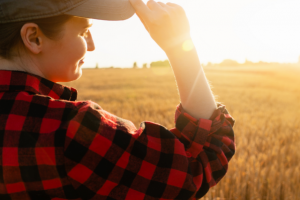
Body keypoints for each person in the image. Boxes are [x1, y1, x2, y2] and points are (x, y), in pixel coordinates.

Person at [0, 0, 235, 199]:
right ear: (34, 38)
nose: (92, 46)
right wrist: (179, 45)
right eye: (83, 32)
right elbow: (200, 159)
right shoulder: (71, 130)